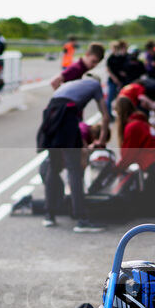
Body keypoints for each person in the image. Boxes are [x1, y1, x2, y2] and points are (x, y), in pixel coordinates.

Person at [36, 74, 110, 232]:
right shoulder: (95, 86)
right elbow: (105, 116)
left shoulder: (73, 84)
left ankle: (49, 215)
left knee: (53, 167)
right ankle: (81, 219)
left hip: (50, 115)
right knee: (74, 169)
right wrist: (101, 140)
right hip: (65, 114)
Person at [106, 40, 128, 120]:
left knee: (120, 98)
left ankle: (120, 113)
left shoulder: (120, 57)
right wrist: (115, 79)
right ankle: (108, 114)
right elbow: (108, 69)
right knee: (110, 98)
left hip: (120, 81)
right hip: (113, 81)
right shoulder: (110, 58)